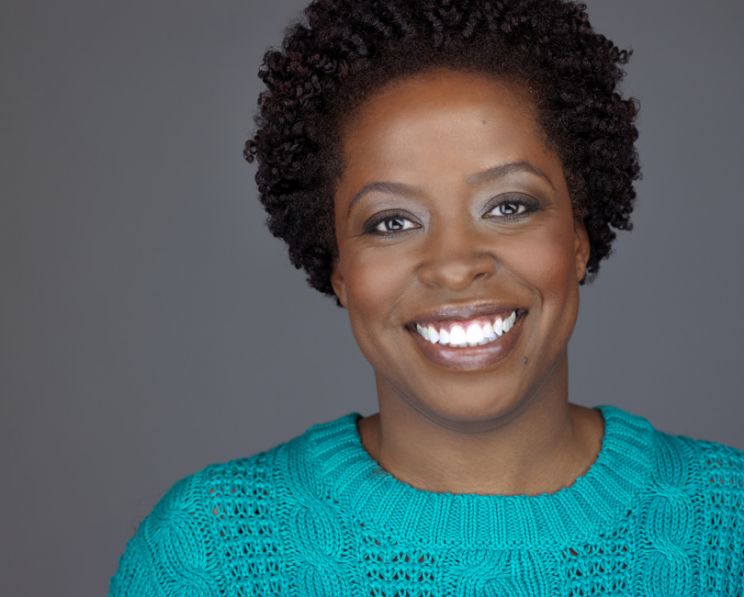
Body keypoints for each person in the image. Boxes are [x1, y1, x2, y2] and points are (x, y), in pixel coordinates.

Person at [108, 0, 744, 594]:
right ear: (340, 271)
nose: (455, 266)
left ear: (577, 240)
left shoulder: (728, 531)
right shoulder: (212, 556)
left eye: (508, 206)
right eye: (392, 221)